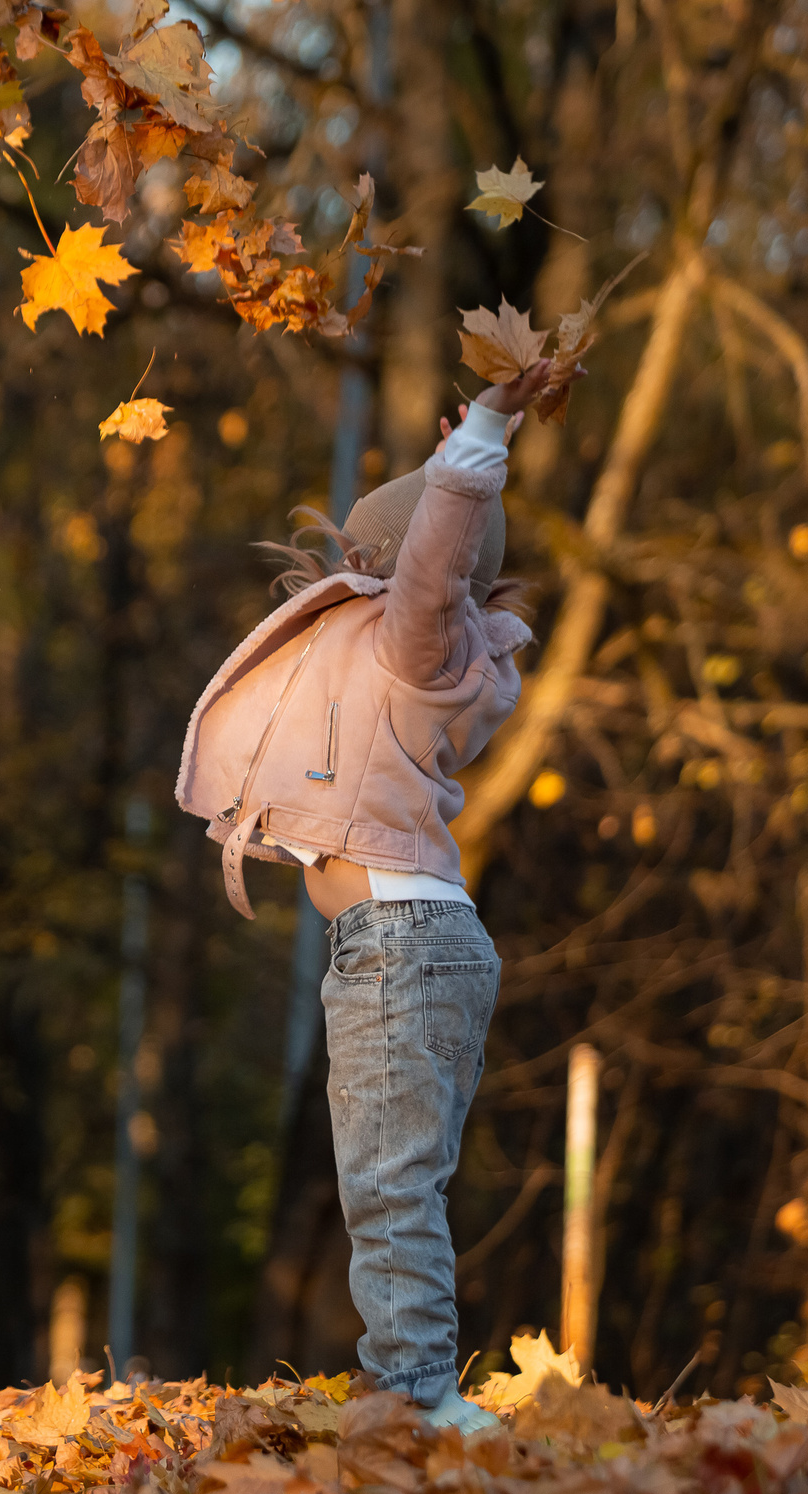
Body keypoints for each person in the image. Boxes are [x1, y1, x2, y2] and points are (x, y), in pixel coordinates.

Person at [176, 360, 555, 1435]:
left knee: (390, 1190)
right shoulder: (410, 659)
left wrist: (479, 441)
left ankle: (416, 1403)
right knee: (391, 1185)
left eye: (362, 556)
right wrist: (457, 466)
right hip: (409, 941)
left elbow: (434, 567)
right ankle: (415, 1394)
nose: (341, 567)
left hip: (401, 942)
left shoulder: (418, 647)